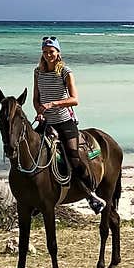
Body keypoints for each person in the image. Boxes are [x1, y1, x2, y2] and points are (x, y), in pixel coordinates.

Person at [33, 35, 106, 214]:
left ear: (58, 53)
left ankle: (90, 194)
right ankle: (36, 197)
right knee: (30, 153)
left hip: (64, 122)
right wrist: (39, 112)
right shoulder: (38, 72)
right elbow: (36, 98)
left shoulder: (65, 71)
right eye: (45, 52)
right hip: (46, 122)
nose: (48, 55)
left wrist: (53, 104)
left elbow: (75, 100)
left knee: (73, 157)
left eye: (51, 52)